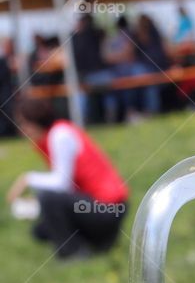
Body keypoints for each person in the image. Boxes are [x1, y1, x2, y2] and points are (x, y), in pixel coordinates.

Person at [6, 98, 128, 259]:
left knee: (48, 199)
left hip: (108, 209)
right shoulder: (53, 136)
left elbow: (61, 183)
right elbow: (69, 188)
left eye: (24, 123)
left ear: (36, 119)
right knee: (41, 230)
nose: (22, 130)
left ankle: (73, 254)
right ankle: (98, 244)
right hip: (95, 207)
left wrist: (27, 179)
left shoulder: (60, 134)